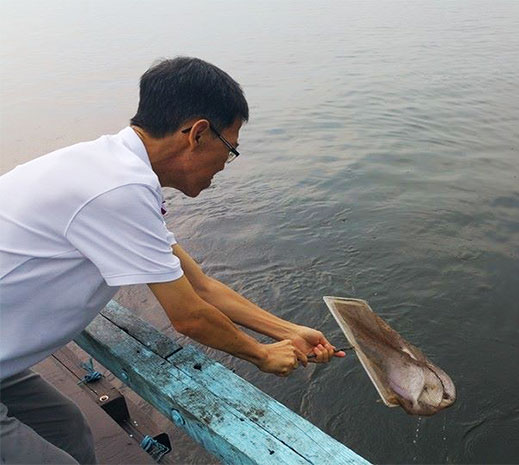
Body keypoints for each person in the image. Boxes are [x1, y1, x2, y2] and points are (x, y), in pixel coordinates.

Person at [0, 57, 343, 464]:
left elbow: (200, 286)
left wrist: (288, 330)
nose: (223, 165)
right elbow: (189, 316)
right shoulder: (118, 189)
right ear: (198, 133)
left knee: (68, 431)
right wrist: (263, 355)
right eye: (229, 148)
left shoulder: (113, 169)